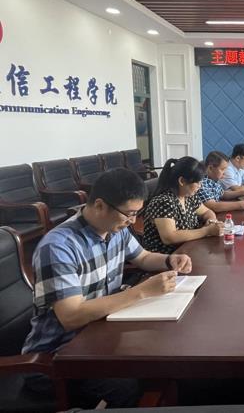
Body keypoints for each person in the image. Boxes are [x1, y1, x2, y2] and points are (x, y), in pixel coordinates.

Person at [22, 168, 192, 409]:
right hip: (59, 357)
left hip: (101, 334)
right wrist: (141, 291)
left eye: (137, 213)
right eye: (129, 214)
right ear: (100, 205)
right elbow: (71, 316)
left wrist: (169, 260)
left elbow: (143, 257)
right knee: (131, 383)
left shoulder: (116, 230)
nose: (132, 221)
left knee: (164, 352)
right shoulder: (59, 246)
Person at [143, 156, 223, 254]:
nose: (200, 186)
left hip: (189, 250)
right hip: (167, 257)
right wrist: (207, 231)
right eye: (197, 182)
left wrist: (211, 221)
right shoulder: (163, 202)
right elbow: (169, 237)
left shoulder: (189, 196)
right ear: (182, 181)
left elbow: (207, 211)